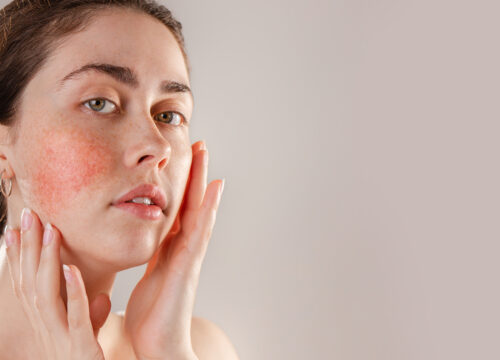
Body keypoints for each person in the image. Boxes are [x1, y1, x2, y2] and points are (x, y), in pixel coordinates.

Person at [0, 0, 239, 359]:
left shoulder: (200, 349)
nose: (157, 146)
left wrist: (167, 350)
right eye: (100, 103)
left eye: (169, 115)